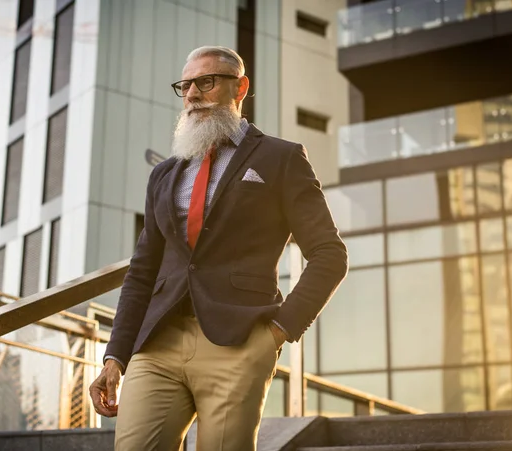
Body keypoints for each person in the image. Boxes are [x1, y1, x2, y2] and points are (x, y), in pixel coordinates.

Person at [89, 45, 348, 451]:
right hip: (157, 344)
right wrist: (114, 357)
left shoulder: (281, 158)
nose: (192, 94)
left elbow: (330, 253)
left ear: (240, 87)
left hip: (239, 341)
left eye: (206, 82)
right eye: (186, 85)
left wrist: (277, 334)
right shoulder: (164, 173)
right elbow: (143, 270)